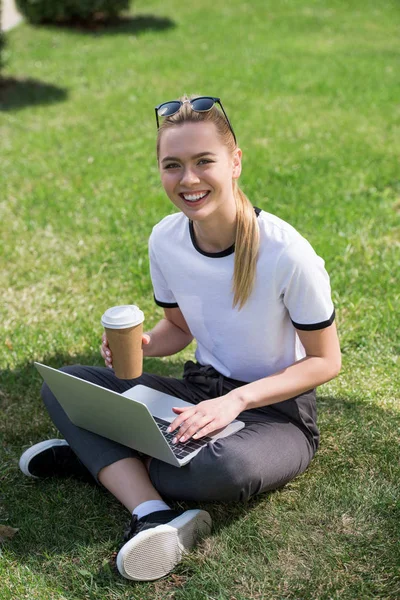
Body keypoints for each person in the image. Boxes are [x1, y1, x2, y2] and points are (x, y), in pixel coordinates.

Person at [19, 95, 341, 582]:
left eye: (203, 162)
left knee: (217, 470)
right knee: (66, 386)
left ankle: (103, 460)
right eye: (173, 165)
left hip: (277, 416)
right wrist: (148, 342)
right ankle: (153, 512)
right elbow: (180, 329)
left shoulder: (287, 254)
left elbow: (324, 362)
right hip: (198, 394)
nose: (188, 180)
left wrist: (237, 401)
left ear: (234, 162)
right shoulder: (165, 239)